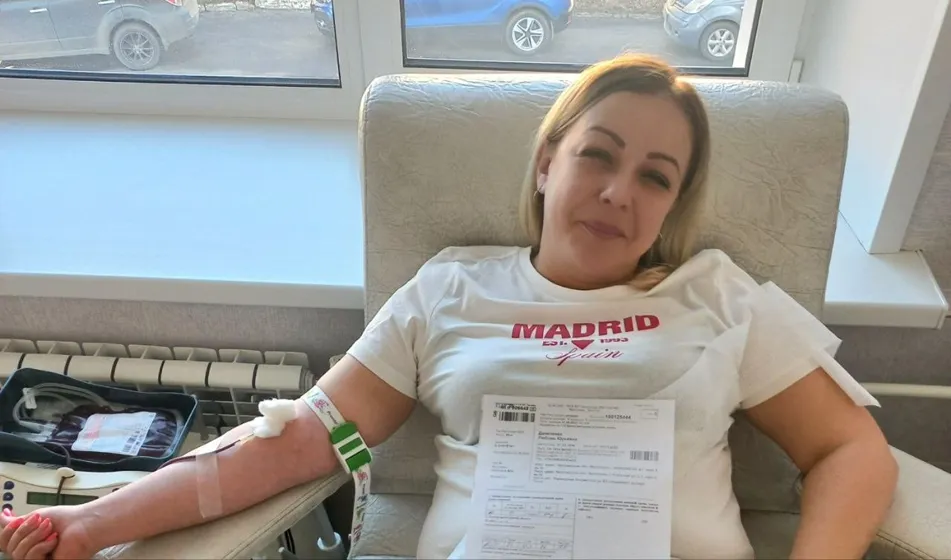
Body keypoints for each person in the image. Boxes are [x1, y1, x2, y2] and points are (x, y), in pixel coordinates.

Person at [0, 54, 898, 560]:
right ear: (546, 162)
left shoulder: (714, 295)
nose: (618, 192)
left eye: (654, 177)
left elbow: (846, 448)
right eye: (597, 155)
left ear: (670, 207)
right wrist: (90, 523)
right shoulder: (451, 291)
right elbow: (308, 439)